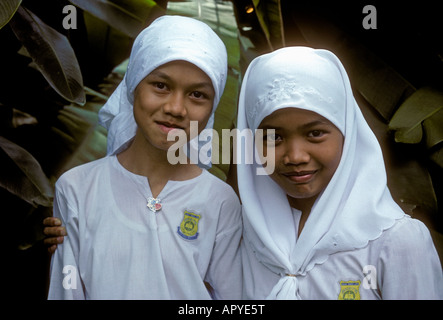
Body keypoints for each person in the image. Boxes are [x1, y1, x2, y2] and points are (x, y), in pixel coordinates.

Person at [46, 15, 242, 299]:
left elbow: (231, 299)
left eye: (197, 94)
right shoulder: (77, 189)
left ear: (212, 107)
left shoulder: (221, 202)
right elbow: (67, 290)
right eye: (160, 85)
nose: (176, 108)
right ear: (133, 84)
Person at [236, 46, 443, 299]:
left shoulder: (396, 242)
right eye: (272, 137)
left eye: (315, 133)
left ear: (348, 133)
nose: (295, 156)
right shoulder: (246, 232)